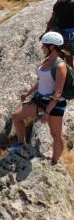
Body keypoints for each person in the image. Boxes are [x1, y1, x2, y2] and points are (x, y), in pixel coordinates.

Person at [9, 32, 68, 165]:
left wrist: (46, 113)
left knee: (56, 135)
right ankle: (22, 145)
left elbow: (58, 92)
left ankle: (54, 162)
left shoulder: (60, 66)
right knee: (16, 116)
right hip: (39, 99)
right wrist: (29, 92)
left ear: (52, 46)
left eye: (44, 45)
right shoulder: (47, 60)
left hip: (54, 104)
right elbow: (42, 80)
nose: (42, 48)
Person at [43, 0, 74, 68]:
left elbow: (52, 20)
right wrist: (45, 33)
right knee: (59, 55)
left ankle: (70, 78)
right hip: (60, 33)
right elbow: (52, 20)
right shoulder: (57, 5)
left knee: (69, 58)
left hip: (70, 35)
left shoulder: (72, 4)